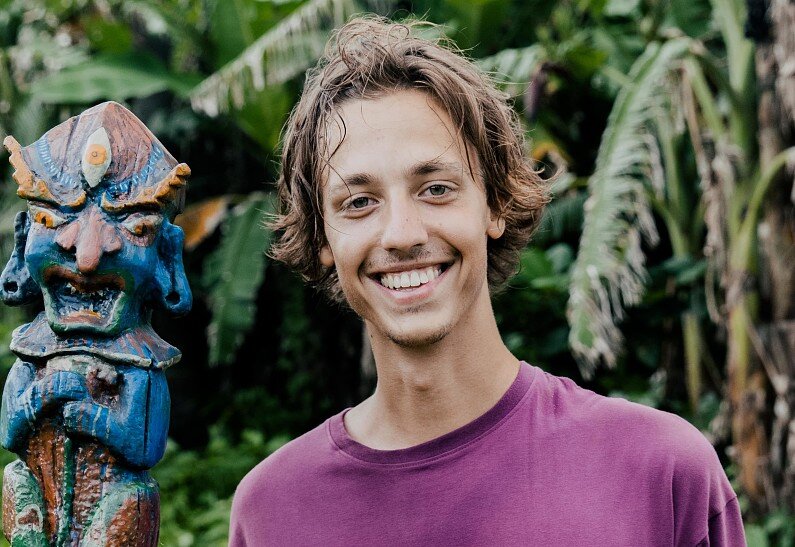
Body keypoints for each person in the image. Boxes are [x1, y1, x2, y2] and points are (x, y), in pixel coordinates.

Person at [229, 16, 744, 546]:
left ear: (494, 204)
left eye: (436, 189)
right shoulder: (273, 511)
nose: (402, 234)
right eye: (359, 202)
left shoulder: (659, 472)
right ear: (323, 239)